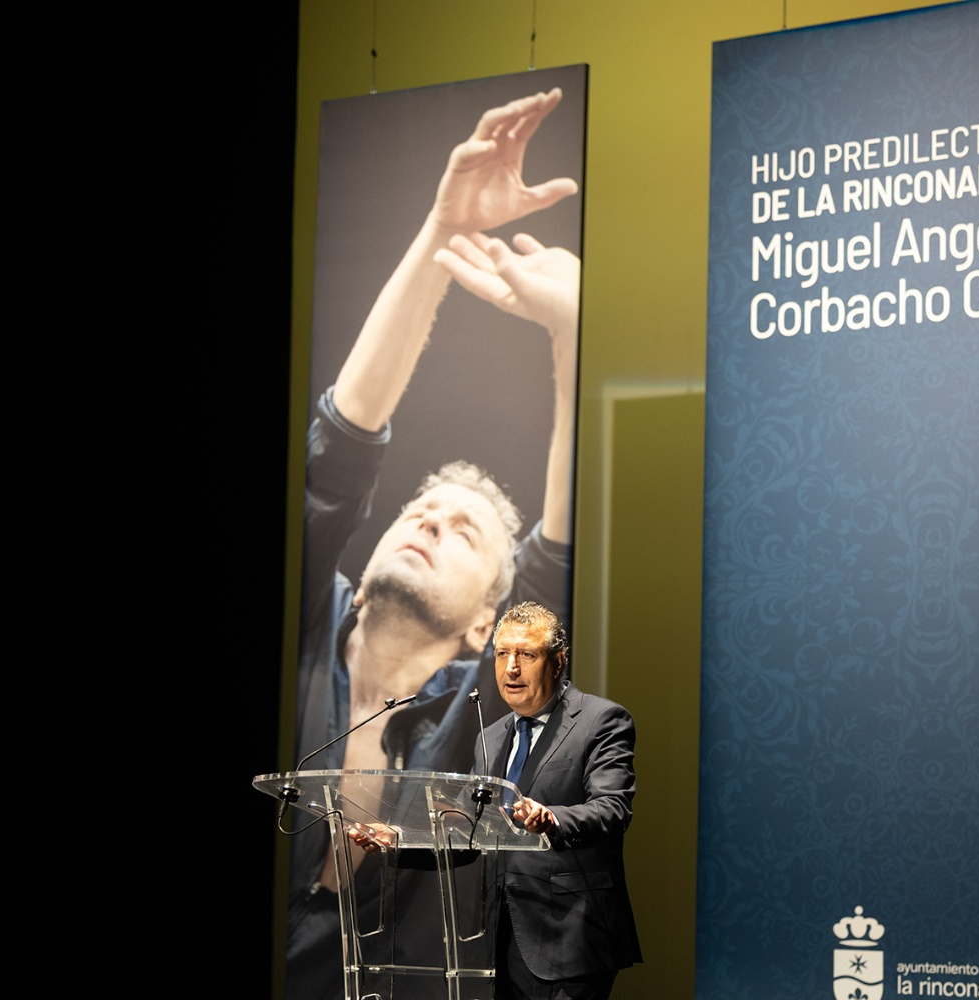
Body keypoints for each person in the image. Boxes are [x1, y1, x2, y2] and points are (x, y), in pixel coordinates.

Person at [287, 88, 583, 999]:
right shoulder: (305, 615)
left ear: (483, 626)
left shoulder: (482, 712)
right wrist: (443, 231)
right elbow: (343, 446)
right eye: (422, 509)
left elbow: (555, 567)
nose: (429, 522)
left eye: (465, 533)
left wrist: (574, 338)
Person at [484, 600, 641, 999]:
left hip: (571, 934)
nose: (511, 668)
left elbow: (612, 809)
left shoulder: (601, 721)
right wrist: (398, 841)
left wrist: (551, 819)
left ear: (558, 662)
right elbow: (477, 829)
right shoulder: (491, 737)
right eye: (502, 654)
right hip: (501, 939)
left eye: (526, 655)